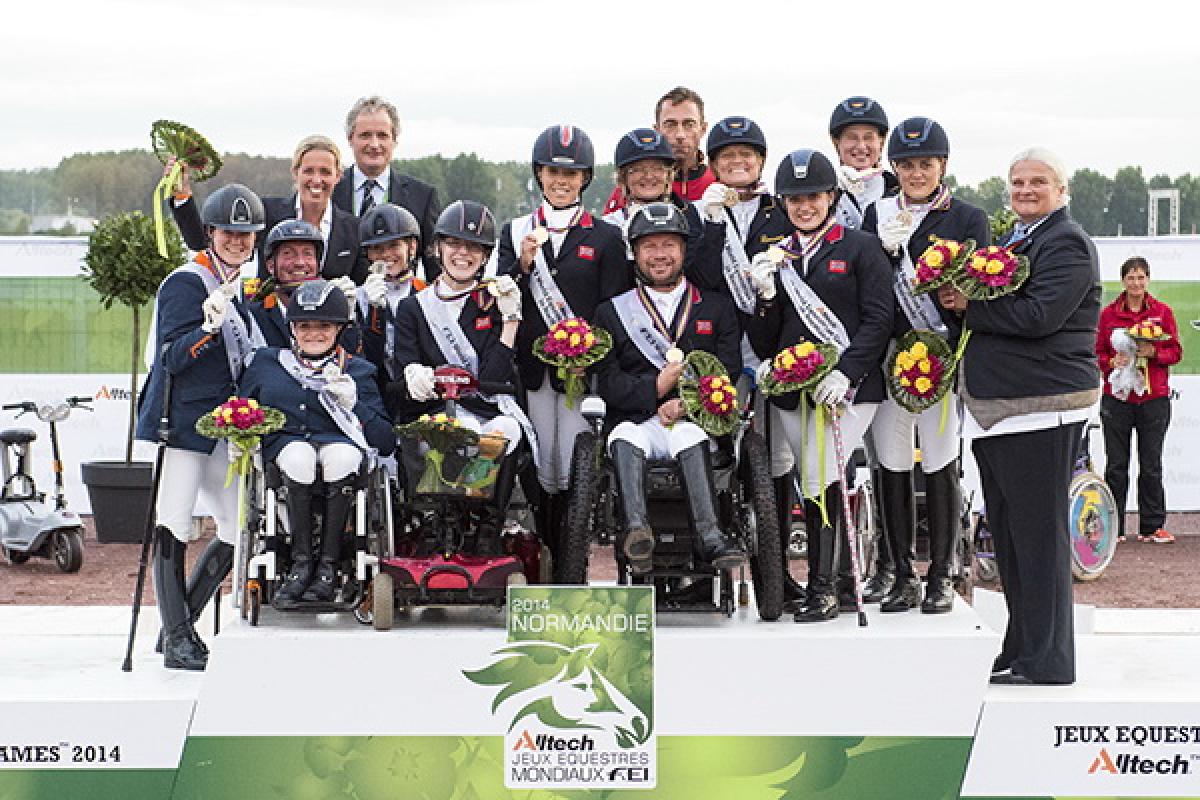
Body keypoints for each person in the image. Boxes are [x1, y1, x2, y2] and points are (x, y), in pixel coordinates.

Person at [938, 147, 1101, 686]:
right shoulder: (1017, 240)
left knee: (1037, 539)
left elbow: (1039, 316)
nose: (1025, 190)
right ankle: (1021, 646)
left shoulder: (1067, 243)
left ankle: (1050, 661)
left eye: (1038, 182)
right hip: (1003, 411)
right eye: (1017, 182)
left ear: (1062, 191)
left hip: (1041, 407)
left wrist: (968, 306)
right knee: (1009, 538)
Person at [747, 149, 893, 623]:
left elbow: (879, 319)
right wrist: (766, 298)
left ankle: (824, 588)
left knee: (820, 473)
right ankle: (840, 585)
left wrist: (846, 371)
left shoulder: (860, 246)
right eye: (793, 198)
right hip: (795, 392)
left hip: (849, 390)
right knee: (811, 478)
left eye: (812, 196)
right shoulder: (776, 254)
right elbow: (766, 338)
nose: (803, 206)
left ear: (831, 196)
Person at [861, 117, 991, 613]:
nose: (916, 173)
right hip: (894, 356)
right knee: (891, 462)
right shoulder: (877, 213)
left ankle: (940, 572)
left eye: (926, 164)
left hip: (941, 355)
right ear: (894, 168)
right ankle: (897, 571)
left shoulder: (966, 218)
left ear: (943, 166)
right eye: (908, 164)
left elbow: (975, 289)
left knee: (939, 460)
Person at [136, 183, 266, 671]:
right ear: (210, 232)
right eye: (229, 232)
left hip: (223, 425)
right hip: (181, 421)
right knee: (173, 518)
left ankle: (181, 622)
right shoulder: (186, 283)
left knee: (237, 526)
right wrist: (207, 331)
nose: (237, 240)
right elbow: (171, 357)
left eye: (246, 234)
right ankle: (177, 638)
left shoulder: (242, 288)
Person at [496, 124, 630, 552]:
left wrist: (590, 354)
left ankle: (572, 555)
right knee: (540, 463)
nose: (561, 180)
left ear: (585, 179)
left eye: (571, 174)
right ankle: (545, 551)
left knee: (573, 465)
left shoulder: (606, 236)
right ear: (539, 173)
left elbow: (611, 308)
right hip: (533, 371)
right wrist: (521, 265)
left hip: (580, 371)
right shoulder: (515, 231)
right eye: (552, 171)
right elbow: (500, 298)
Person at [593, 203, 745, 573]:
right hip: (634, 421)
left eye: (669, 245)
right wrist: (653, 388)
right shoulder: (611, 313)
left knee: (689, 436)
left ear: (683, 249)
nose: (659, 255)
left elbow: (727, 371)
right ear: (635, 252)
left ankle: (711, 538)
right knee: (626, 436)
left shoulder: (717, 308)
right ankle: (636, 533)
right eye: (649, 246)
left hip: (691, 423)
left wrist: (685, 404)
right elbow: (608, 381)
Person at [238, 280, 395, 605]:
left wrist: (355, 404)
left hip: (339, 444)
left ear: (339, 329)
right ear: (292, 328)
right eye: (304, 326)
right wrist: (239, 435)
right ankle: (300, 563)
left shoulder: (358, 370)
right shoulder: (267, 363)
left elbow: (385, 440)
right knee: (298, 457)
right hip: (288, 445)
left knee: (342, 458)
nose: (313, 333)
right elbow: (242, 408)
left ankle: (328, 566)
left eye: (323, 326)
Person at [391, 200, 528, 535]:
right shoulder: (413, 308)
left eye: (474, 248)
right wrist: (415, 376)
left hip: (484, 408)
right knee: (453, 430)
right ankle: (436, 522)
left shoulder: (493, 301)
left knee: (509, 430)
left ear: (485, 256)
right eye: (455, 244)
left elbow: (494, 377)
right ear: (438, 248)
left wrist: (510, 321)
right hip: (437, 410)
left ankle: (487, 524)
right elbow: (403, 371)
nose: (463, 254)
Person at [170, 136, 366, 283]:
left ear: (338, 176)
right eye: (308, 171)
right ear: (295, 172)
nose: (316, 180)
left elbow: (361, 287)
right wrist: (182, 196)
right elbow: (203, 243)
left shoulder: (353, 229)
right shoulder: (266, 212)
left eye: (325, 172)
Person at [1095, 256, 1182, 544]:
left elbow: (1176, 352)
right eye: (1131, 277)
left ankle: (1152, 526)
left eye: (1141, 277)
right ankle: (1114, 527)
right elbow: (1096, 354)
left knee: (1152, 464)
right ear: (1123, 281)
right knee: (1116, 465)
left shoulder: (1162, 312)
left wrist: (1153, 353)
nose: (1136, 283)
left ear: (1148, 279)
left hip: (1153, 397)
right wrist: (1112, 362)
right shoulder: (1108, 315)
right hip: (1117, 399)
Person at [333, 95, 442, 282]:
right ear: (350, 139)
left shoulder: (423, 197)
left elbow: (436, 270)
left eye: (382, 136)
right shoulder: (330, 192)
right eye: (365, 135)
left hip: (401, 308)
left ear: (394, 140)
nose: (374, 145)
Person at [355, 203, 427, 416]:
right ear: (368, 253)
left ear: (411, 247)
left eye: (394, 245)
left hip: (420, 394)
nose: (386, 255)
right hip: (377, 394)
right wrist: (372, 311)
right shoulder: (358, 297)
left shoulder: (427, 293)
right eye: (377, 248)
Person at [604, 87, 716, 214]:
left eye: (689, 124)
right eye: (670, 125)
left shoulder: (717, 185)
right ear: (656, 130)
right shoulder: (634, 188)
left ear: (703, 129)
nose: (680, 134)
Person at [603, 127, 684, 255]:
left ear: (668, 175)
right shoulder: (609, 226)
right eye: (637, 169)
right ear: (624, 178)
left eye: (657, 168)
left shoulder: (686, 218)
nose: (648, 176)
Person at [828, 96, 896, 231]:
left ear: (881, 142)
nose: (861, 146)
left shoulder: (900, 195)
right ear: (837, 143)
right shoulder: (823, 196)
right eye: (852, 138)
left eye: (868, 137)